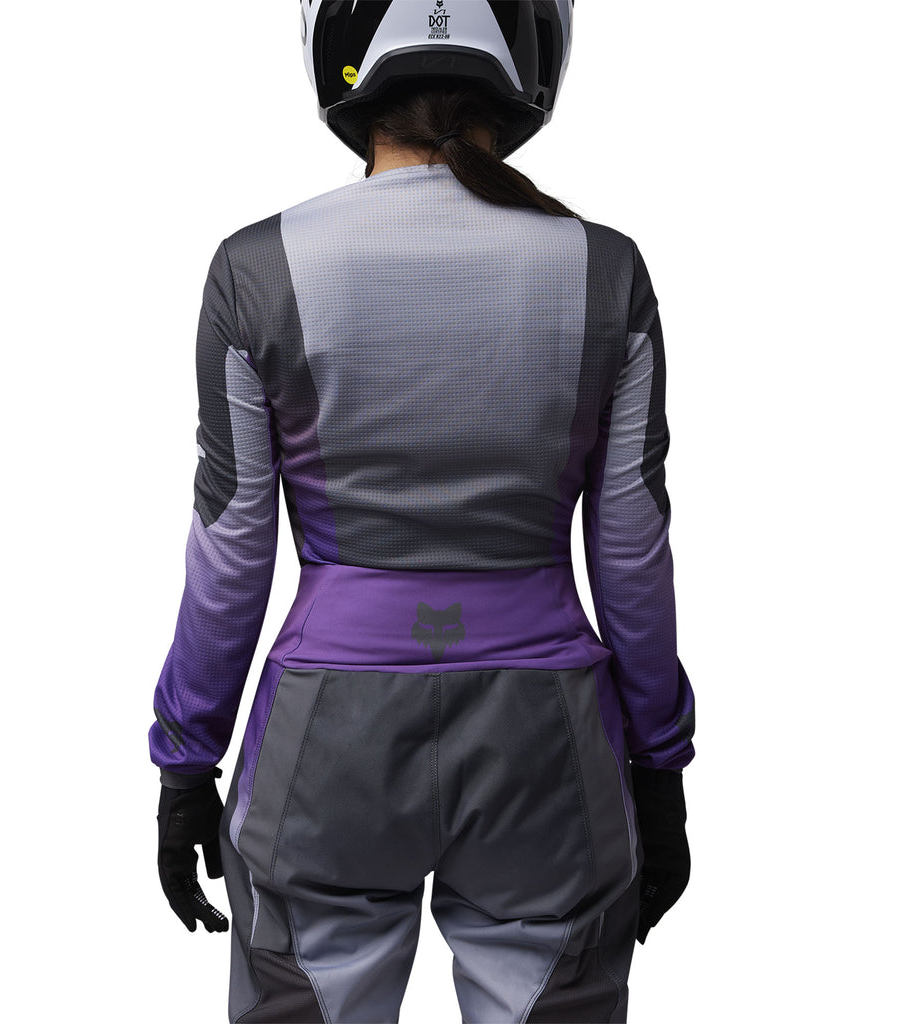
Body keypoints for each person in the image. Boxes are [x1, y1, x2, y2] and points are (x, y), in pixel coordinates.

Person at [149, 3, 696, 1022]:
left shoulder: (256, 266)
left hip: (325, 738)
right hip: (548, 738)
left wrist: (187, 758)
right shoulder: (605, 267)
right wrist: (659, 762)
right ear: (526, 62)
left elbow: (231, 550)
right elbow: (632, 546)